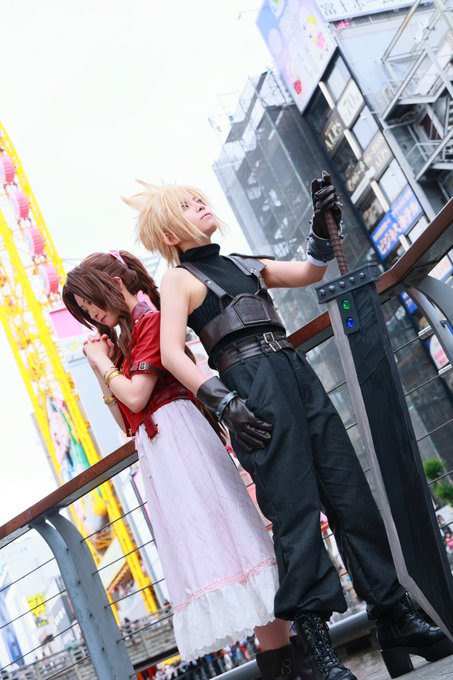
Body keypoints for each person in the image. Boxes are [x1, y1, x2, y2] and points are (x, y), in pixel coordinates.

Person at [125, 176, 453, 680]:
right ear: (170, 234)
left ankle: (394, 615)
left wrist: (321, 225)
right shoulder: (178, 279)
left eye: (199, 199)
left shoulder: (244, 264)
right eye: (188, 206)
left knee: (351, 498)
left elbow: (310, 271)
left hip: (295, 373)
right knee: (295, 516)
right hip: (251, 388)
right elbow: (171, 353)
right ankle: (319, 649)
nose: (201, 205)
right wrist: (224, 402)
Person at [62, 250, 312, 677]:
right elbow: (126, 420)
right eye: (86, 312)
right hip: (161, 452)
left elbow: (136, 397)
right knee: (226, 551)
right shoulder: (129, 338)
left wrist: (101, 364)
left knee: (237, 545)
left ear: (113, 286)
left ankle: (292, 661)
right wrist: (104, 370)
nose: (94, 316)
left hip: (181, 441)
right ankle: (288, 662)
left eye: (92, 304)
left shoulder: (152, 322)